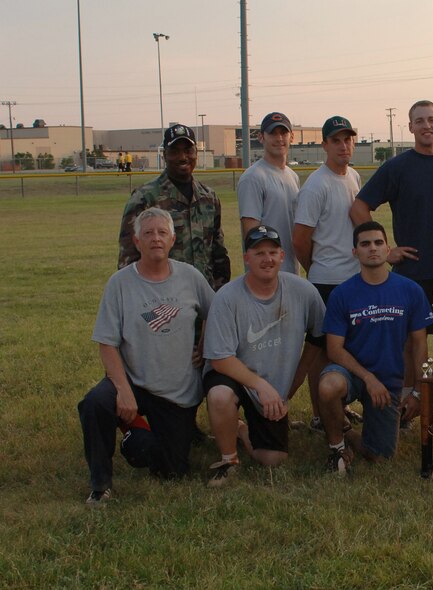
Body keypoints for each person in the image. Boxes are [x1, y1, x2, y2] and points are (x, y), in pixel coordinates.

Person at [78, 208, 215, 506]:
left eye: (162, 233)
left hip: (176, 393)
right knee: (95, 402)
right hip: (133, 382)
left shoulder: (190, 277)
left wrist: (204, 345)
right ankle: (100, 484)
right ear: (137, 241)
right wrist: (124, 390)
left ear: (173, 240)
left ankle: (134, 430)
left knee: (170, 469)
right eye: (149, 233)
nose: (156, 238)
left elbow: (216, 313)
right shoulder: (120, 283)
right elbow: (106, 342)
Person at [350, 100, 433, 414]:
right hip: (410, 273)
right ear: (410, 127)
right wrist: (385, 251)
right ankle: (412, 401)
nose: (426, 126)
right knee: (411, 342)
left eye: (431, 120)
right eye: (419, 121)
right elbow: (359, 207)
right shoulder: (397, 167)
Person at [202, 225, 325, 486]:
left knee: (273, 458)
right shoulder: (227, 298)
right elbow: (220, 359)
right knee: (220, 395)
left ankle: (241, 428)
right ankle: (228, 460)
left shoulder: (303, 291)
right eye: (258, 253)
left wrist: (299, 375)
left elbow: (319, 336)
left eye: (272, 252)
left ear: (282, 256)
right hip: (233, 373)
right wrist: (260, 385)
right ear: (247, 258)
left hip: (273, 385)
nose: (266, 259)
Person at [318, 221, 433, 474]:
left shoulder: (410, 290)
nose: (373, 248)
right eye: (365, 244)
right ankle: (337, 446)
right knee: (328, 385)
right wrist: (368, 377)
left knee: (380, 456)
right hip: (353, 374)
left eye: (378, 243)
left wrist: (418, 391)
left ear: (387, 248)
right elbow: (334, 350)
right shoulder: (342, 294)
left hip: (388, 380)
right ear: (354, 252)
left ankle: (350, 433)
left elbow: (419, 343)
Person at [293, 115, 363, 432]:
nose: (343, 145)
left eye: (347, 139)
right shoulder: (316, 185)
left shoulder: (354, 177)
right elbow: (300, 239)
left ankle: (337, 407)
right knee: (320, 349)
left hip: (352, 278)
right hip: (325, 281)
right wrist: (317, 269)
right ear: (324, 145)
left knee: (344, 347)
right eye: (336, 140)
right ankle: (321, 416)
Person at [119, 123, 231, 291]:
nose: (183, 157)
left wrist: (220, 296)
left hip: (204, 295)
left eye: (188, 150)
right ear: (165, 155)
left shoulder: (209, 198)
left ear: (196, 154)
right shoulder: (144, 198)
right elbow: (128, 257)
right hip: (163, 299)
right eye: (175, 151)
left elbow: (218, 254)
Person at [238, 112, 301, 274]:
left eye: (283, 133)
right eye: (272, 133)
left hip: (290, 271)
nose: (279, 138)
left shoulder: (292, 176)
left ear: (292, 137)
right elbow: (251, 234)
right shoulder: (253, 177)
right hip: (266, 274)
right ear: (261, 137)